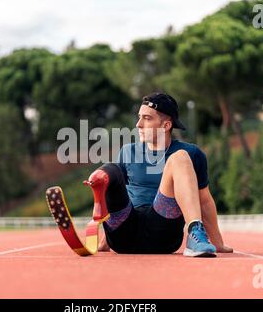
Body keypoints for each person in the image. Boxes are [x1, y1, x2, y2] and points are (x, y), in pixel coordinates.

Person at [87, 92, 233, 257]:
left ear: (166, 125)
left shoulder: (192, 153)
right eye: (139, 117)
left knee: (180, 157)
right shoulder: (128, 151)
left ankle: (195, 236)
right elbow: (120, 197)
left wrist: (217, 242)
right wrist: (104, 242)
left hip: (163, 233)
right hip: (123, 236)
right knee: (111, 170)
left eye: (147, 119)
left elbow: (204, 201)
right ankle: (98, 182)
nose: (138, 124)